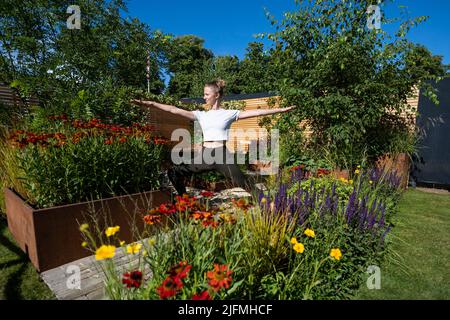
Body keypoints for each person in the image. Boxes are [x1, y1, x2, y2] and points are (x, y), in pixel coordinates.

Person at [131, 79, 296, 196]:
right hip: (205, 155)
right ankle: (182, 201)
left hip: (221, 155)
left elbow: (258, 112)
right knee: (174, 172)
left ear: (216, 95)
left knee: (244, 184)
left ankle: (269, 205)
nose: (204, 97)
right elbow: (174, 110)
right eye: (204, 94)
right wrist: (151, 104)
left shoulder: (229, 113)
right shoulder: (201, 115)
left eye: (206, 94)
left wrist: (280, 110)